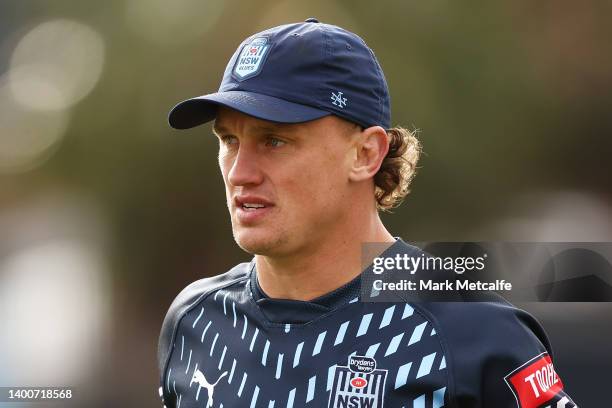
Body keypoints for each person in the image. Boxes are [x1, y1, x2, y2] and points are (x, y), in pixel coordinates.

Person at [158, 18, 577, 408]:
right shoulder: (194, 320)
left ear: (365, 154)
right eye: (229, 140)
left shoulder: (475, 333)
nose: (240, 172)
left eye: (274, 141)